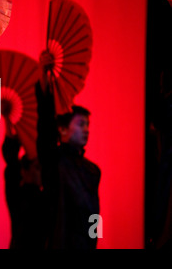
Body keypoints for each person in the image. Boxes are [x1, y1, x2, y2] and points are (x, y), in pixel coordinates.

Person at [35, 56, 101, 249]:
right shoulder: (54, 160)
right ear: (62, 130)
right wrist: (44, 78)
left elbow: (94, 215)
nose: (87, 129)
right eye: (81, 124)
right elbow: (45, 126)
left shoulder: (93, 171)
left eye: (88, 124)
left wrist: (94, 243)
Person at [1, 119, 45, 249]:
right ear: (24, 170)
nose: (40, 173)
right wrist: (8, 122)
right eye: (37, 167)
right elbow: (11, 162)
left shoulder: (46, 195)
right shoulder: (17, 194)